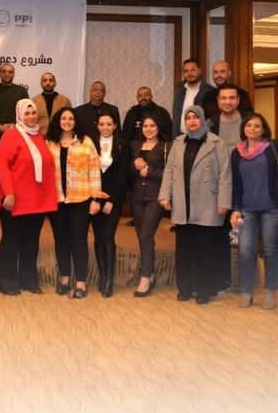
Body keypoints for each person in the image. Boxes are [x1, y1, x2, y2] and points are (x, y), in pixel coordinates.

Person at [159, 106, 231, 304]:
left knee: (205, 250)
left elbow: (225, 175)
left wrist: (224, 202)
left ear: (202, 120)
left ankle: (204, 290)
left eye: (195, 117)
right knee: (184, 249)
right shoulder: (178, 142)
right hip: (183, 203)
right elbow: (169, 171)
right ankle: (185, 288)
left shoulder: (217, 143)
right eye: (188, 117)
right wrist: (165, 195)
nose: (191, 121)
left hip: (208, 203)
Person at [0, 99, 58, 295]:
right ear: (19, 115)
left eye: (33, 113)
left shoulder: (39, 136)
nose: (31, 117)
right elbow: (2, 165)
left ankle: (28, 279)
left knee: (31, 241)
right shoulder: (11, 135)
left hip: (36, 200)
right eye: (27, 113)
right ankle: (7, 280)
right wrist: (9, 193)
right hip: (14, 199)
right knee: (11, 240)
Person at [46, 106, 103, 299]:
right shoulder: (50, 143)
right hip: (57, 200)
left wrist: (95, 198)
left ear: (76, 121)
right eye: (64, 118)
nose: (67, 122)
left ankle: (81, 281)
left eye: (71, 119)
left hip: (81, 199)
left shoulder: (86, 142)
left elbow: (94, 171)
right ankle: (64, 277)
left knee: (79, 240)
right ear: (58, 121)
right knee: (61, 240)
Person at [229, 113, 278, 309]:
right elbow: (235, 184)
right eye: (249, 125)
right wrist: (236, 209)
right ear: (244, 128)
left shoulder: (272, 148)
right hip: (246, 210)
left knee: (270, 250)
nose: (252, 128)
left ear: (263, 129)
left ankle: (270, 291)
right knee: (245, 251)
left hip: (271, 208)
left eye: (257, 126)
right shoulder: (237, 152)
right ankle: (246, 292)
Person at [208, 83, 244, 293]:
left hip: (244, 185)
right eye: (223, 98)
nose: (227, 101)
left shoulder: (249, 122)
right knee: (219, 233)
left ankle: (247, 281)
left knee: (245, 233)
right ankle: (223, 280)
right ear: (218, 101)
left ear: (238, 100)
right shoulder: (210, 124)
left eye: (232, 98)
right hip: (219, 185)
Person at [130, 115, 170, 297]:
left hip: (156, 197)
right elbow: (126, 171)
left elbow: (170, 172)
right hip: (137, 197)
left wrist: (150, 171)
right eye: (145, 126)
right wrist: (134, 166)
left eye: (152, 125)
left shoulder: (166, 146)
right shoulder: (135, 146)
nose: (148, 129)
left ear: (158, 127)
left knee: (146, 234)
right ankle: (149, 272)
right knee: (143, 236)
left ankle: (145, 277)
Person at [90, 113, 130, 298]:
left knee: (108, 236)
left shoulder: (122, 144)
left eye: (109, 124)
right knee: (98, 238)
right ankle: (102, 275)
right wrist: (95, 199)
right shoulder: (90, 144)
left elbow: (123, 175)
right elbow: (87, 172)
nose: (105, 127)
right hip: (94, 198)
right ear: (97, 126)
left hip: (113, 199)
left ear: (114, 126)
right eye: (102, 124)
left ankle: (109, 280)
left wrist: (111, 200)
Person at [0, 63, 29, 144]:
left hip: (17, 131)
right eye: (4, 71)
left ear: (13, 74)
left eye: (10, 72)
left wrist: (14, 125)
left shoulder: (22, 91)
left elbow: (26, 111)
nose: (7, 74)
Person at [172, 58, 212, 137]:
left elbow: (211, 119)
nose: (189, 73)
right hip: (180, 136)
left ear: (199, 71)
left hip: (201, 137)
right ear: (183, 74)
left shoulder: (209, 91)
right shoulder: (179, 90)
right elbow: (176, 116)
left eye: (193, 70)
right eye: (186, 71)